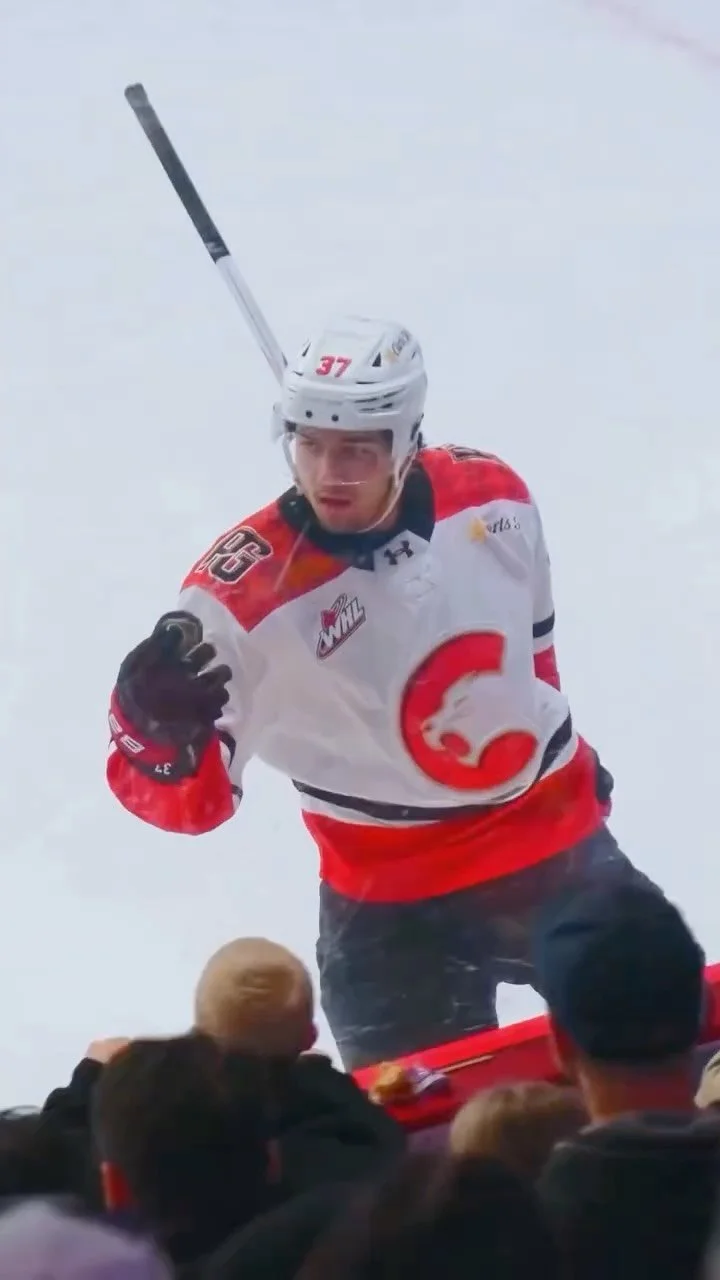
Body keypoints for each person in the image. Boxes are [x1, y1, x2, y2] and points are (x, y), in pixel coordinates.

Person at [107, 313, 656, 1069]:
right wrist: (151, 732)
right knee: (416, 1125)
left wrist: (568, 763)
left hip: (551, 842)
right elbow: (187, 808)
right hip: (391, 900)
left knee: (672, 1045)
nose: (328, 474)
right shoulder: (237, 602)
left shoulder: (493, 499)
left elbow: (533, 660)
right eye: (309, 445)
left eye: (357, 451)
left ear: (408, 439)